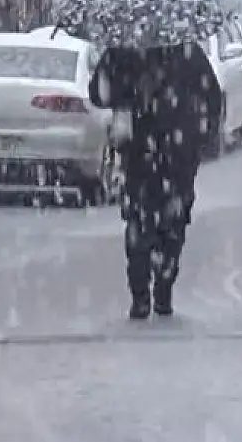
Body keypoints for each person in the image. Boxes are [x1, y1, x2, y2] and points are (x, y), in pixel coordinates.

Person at [89, 42, 223, 320]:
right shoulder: (187, 52)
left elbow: (98, 94)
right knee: (172, 223)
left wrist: (122, 93)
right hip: (177, 152)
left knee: (141, 222)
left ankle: (142, 293)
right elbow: (212, 96)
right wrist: (203, 134)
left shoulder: (123, 51)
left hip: (142, 152)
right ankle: (162, 286)